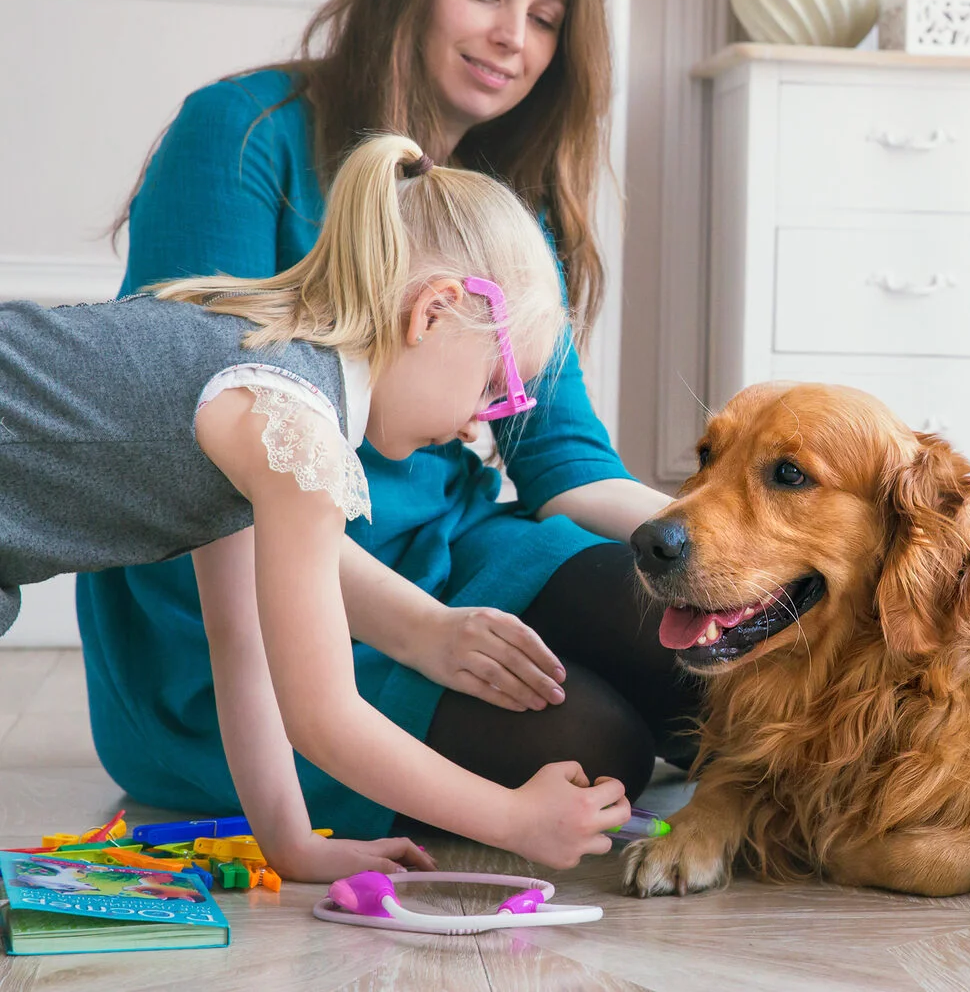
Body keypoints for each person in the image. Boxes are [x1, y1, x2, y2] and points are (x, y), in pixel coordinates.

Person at [80, 0, 690, 848]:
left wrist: (744, 550)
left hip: (443, 550)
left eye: (544, 17)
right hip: (234, 587)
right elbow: (203, 464)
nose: (513, 38)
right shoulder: (242, 135)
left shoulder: (503, 214)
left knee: (675, 625)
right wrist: (413, 630)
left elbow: (566, 461)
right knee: (598, 745)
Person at [4, 133, 634, 880]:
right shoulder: (295, 429)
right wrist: (515, 820)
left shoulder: (260, 386)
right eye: (496, 387)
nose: (478, 423)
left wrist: (291, 843)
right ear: (433, 312)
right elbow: (325, 719)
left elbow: (242, 647)